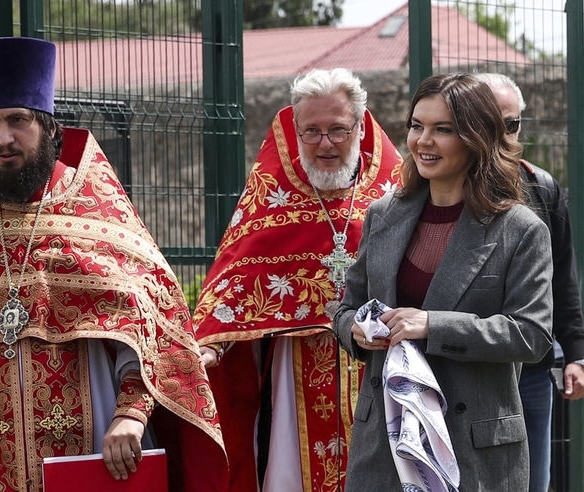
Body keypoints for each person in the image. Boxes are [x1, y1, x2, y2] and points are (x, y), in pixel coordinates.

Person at [0, 36, 227, 492]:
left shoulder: (98, 208)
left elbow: (151, 329)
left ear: (49, 127)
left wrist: (132, 413)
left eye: (18, 121)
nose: (3, 138)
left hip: (95, 441)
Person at [333, 72, 554, 491]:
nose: (422, 141)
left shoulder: (520, 229)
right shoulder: (383, 215)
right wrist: (356, 330)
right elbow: (345, 308)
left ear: (476, 138)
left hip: (473, 449)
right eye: (417, 126)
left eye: (443, 129)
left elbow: (532, 334)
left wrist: (433, 325)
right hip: (384, 444)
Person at [193, 68, 402, 491]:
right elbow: (238, 271)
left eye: (338, 130)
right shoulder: (273, 194)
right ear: (296, 129)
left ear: (359, 127)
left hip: (383, 362)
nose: (325, 144)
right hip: (299, 367)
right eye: (311, 131)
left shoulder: (393, 191)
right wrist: (214, 342)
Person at [474, 71, 584, 492]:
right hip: (468, 365)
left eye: (512, 123)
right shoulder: (441, 187)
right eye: (490, 122)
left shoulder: (542, 185)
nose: (502, 134)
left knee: (534, 479)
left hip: (533, 367)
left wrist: (576, 353)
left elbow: (563, 277)